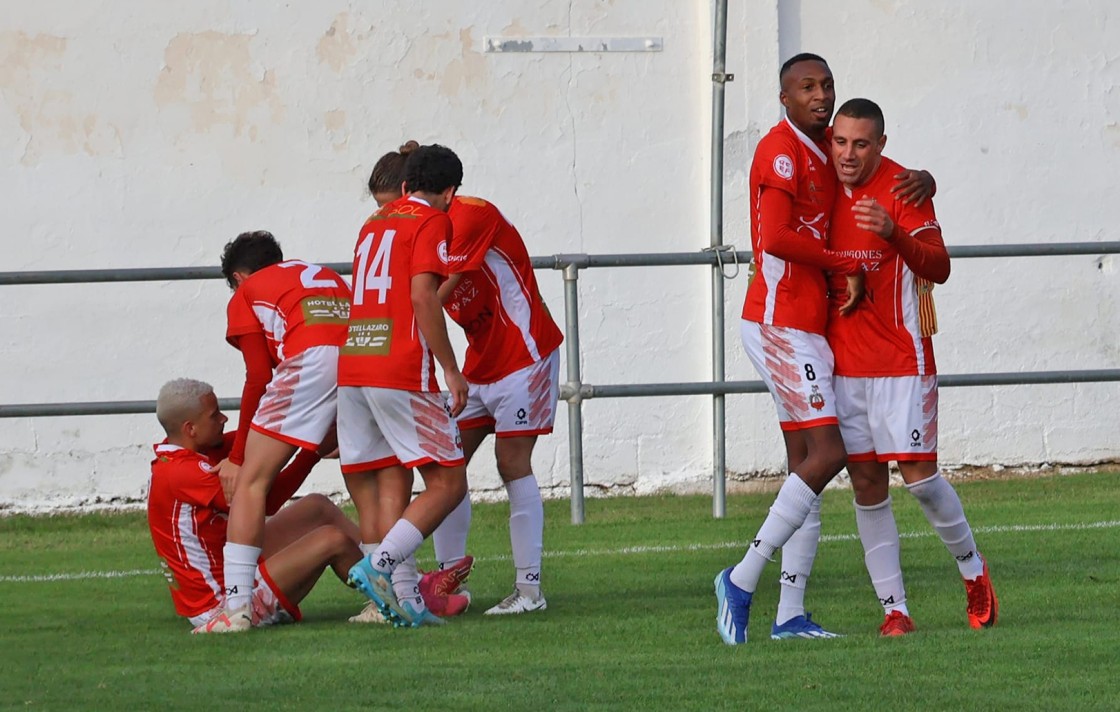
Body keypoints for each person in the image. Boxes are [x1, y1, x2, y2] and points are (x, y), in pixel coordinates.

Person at [715, 53, 934, 645]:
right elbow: (780, 238)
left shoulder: (825, 151)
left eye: (827, 85)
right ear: (783, 97)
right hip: (780, 321)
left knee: (806, 469)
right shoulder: (781, 151)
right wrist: (847, 264)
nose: (820, 95)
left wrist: (927, 181)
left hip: (808, 326)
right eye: (806, 87)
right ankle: (740, 578)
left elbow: (877, 172)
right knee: (830, 452)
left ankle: (789, 615)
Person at [367, 142, 563, 616]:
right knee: (446, 463)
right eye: (381, 210)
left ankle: (529, 592)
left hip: (524, 355)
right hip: (479, 363)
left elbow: (432, 291)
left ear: (418, 191)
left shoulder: (468, 216)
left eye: (393, 204)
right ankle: (446, 579)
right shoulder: (417, 224)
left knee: (511, 460)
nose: (390, 215)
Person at [827, 98, 997, 635]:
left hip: (903, 359)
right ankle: (894, 610)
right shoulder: (821, 184)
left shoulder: (903, 189)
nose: (847, 154)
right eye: (839, 141)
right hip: (843, 363)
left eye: (860, 144)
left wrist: (892, 233)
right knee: (866, 483)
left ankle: (974, 573)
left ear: (881, 144)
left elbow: (939, 267)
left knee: (920, 479)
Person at [339, 143, 470, 628]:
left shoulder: (374, 222)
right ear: (450, 191)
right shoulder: (432, 221)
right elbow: (421, 296)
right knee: (448, 482)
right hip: (398, 368)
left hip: (355, 365)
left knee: (382, 482)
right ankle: (378, 566)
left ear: (405, 183)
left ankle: (403, 600)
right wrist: (451, 368)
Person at [198, 232, 352, 633]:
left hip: (310, 360)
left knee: (250, 482)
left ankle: (236, 609)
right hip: (364, 358)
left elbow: (258, 376)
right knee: (367, 475)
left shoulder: (247, 293)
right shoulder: (322, 275)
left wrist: (237, 458)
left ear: (239, 276)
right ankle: (401, 584)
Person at [147, 378, 363, 632]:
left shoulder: (187, 455)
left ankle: (399, 574)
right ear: (190, 429)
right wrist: (311, 453)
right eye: (214, 415)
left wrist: (321, 419)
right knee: (332, 540)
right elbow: (268, 501)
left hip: (231, 573)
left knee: (316, 506)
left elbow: (269, 437)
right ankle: (393, 596)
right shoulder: (184, 472)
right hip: (221, 605)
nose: (223, 419)